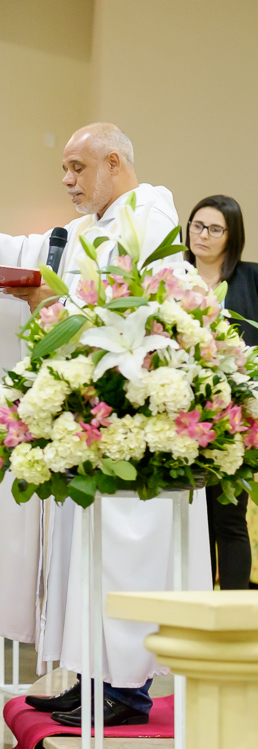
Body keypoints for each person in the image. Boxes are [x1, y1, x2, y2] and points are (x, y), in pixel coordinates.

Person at [0, 122, 212, 726]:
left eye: (76, 168)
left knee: (123, 553)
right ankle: (95, 678)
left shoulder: (150, 210)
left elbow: (136, 296)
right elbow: (11, 252)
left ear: (114, 160)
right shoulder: (81, 232)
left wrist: (52, 304)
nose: (67, 181)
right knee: (80, 552)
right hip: (88, 421)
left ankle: (127, 689)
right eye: (64, 170)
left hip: (135, 418)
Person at [184, 195, 258, 590]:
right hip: (180, 413)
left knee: (229, 518)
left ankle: (233, 612)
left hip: (236, 415)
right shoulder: (173, 275)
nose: (203, 235)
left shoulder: (251, 278)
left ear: (232, 235)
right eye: (197, 225)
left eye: (214, 228)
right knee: (189, 518)